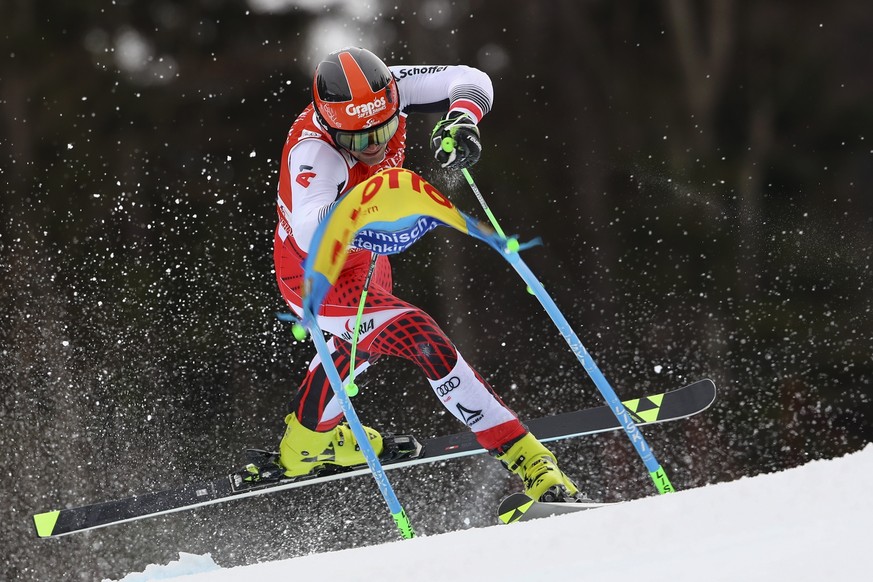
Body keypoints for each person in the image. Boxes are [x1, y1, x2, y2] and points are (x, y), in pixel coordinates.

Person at [272, 47, 582, 502]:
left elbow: (469, 79)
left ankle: (307, 442)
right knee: (420, 335)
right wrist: (367, 228)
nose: (376, 144)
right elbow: (310, 233)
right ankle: (527, 456)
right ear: (332, 127)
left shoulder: (385, 94)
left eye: (387, 127)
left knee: (357, 345)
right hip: (316, 277)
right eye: (359, 140)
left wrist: (463, 118)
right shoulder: (314, 155)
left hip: (370, 263)